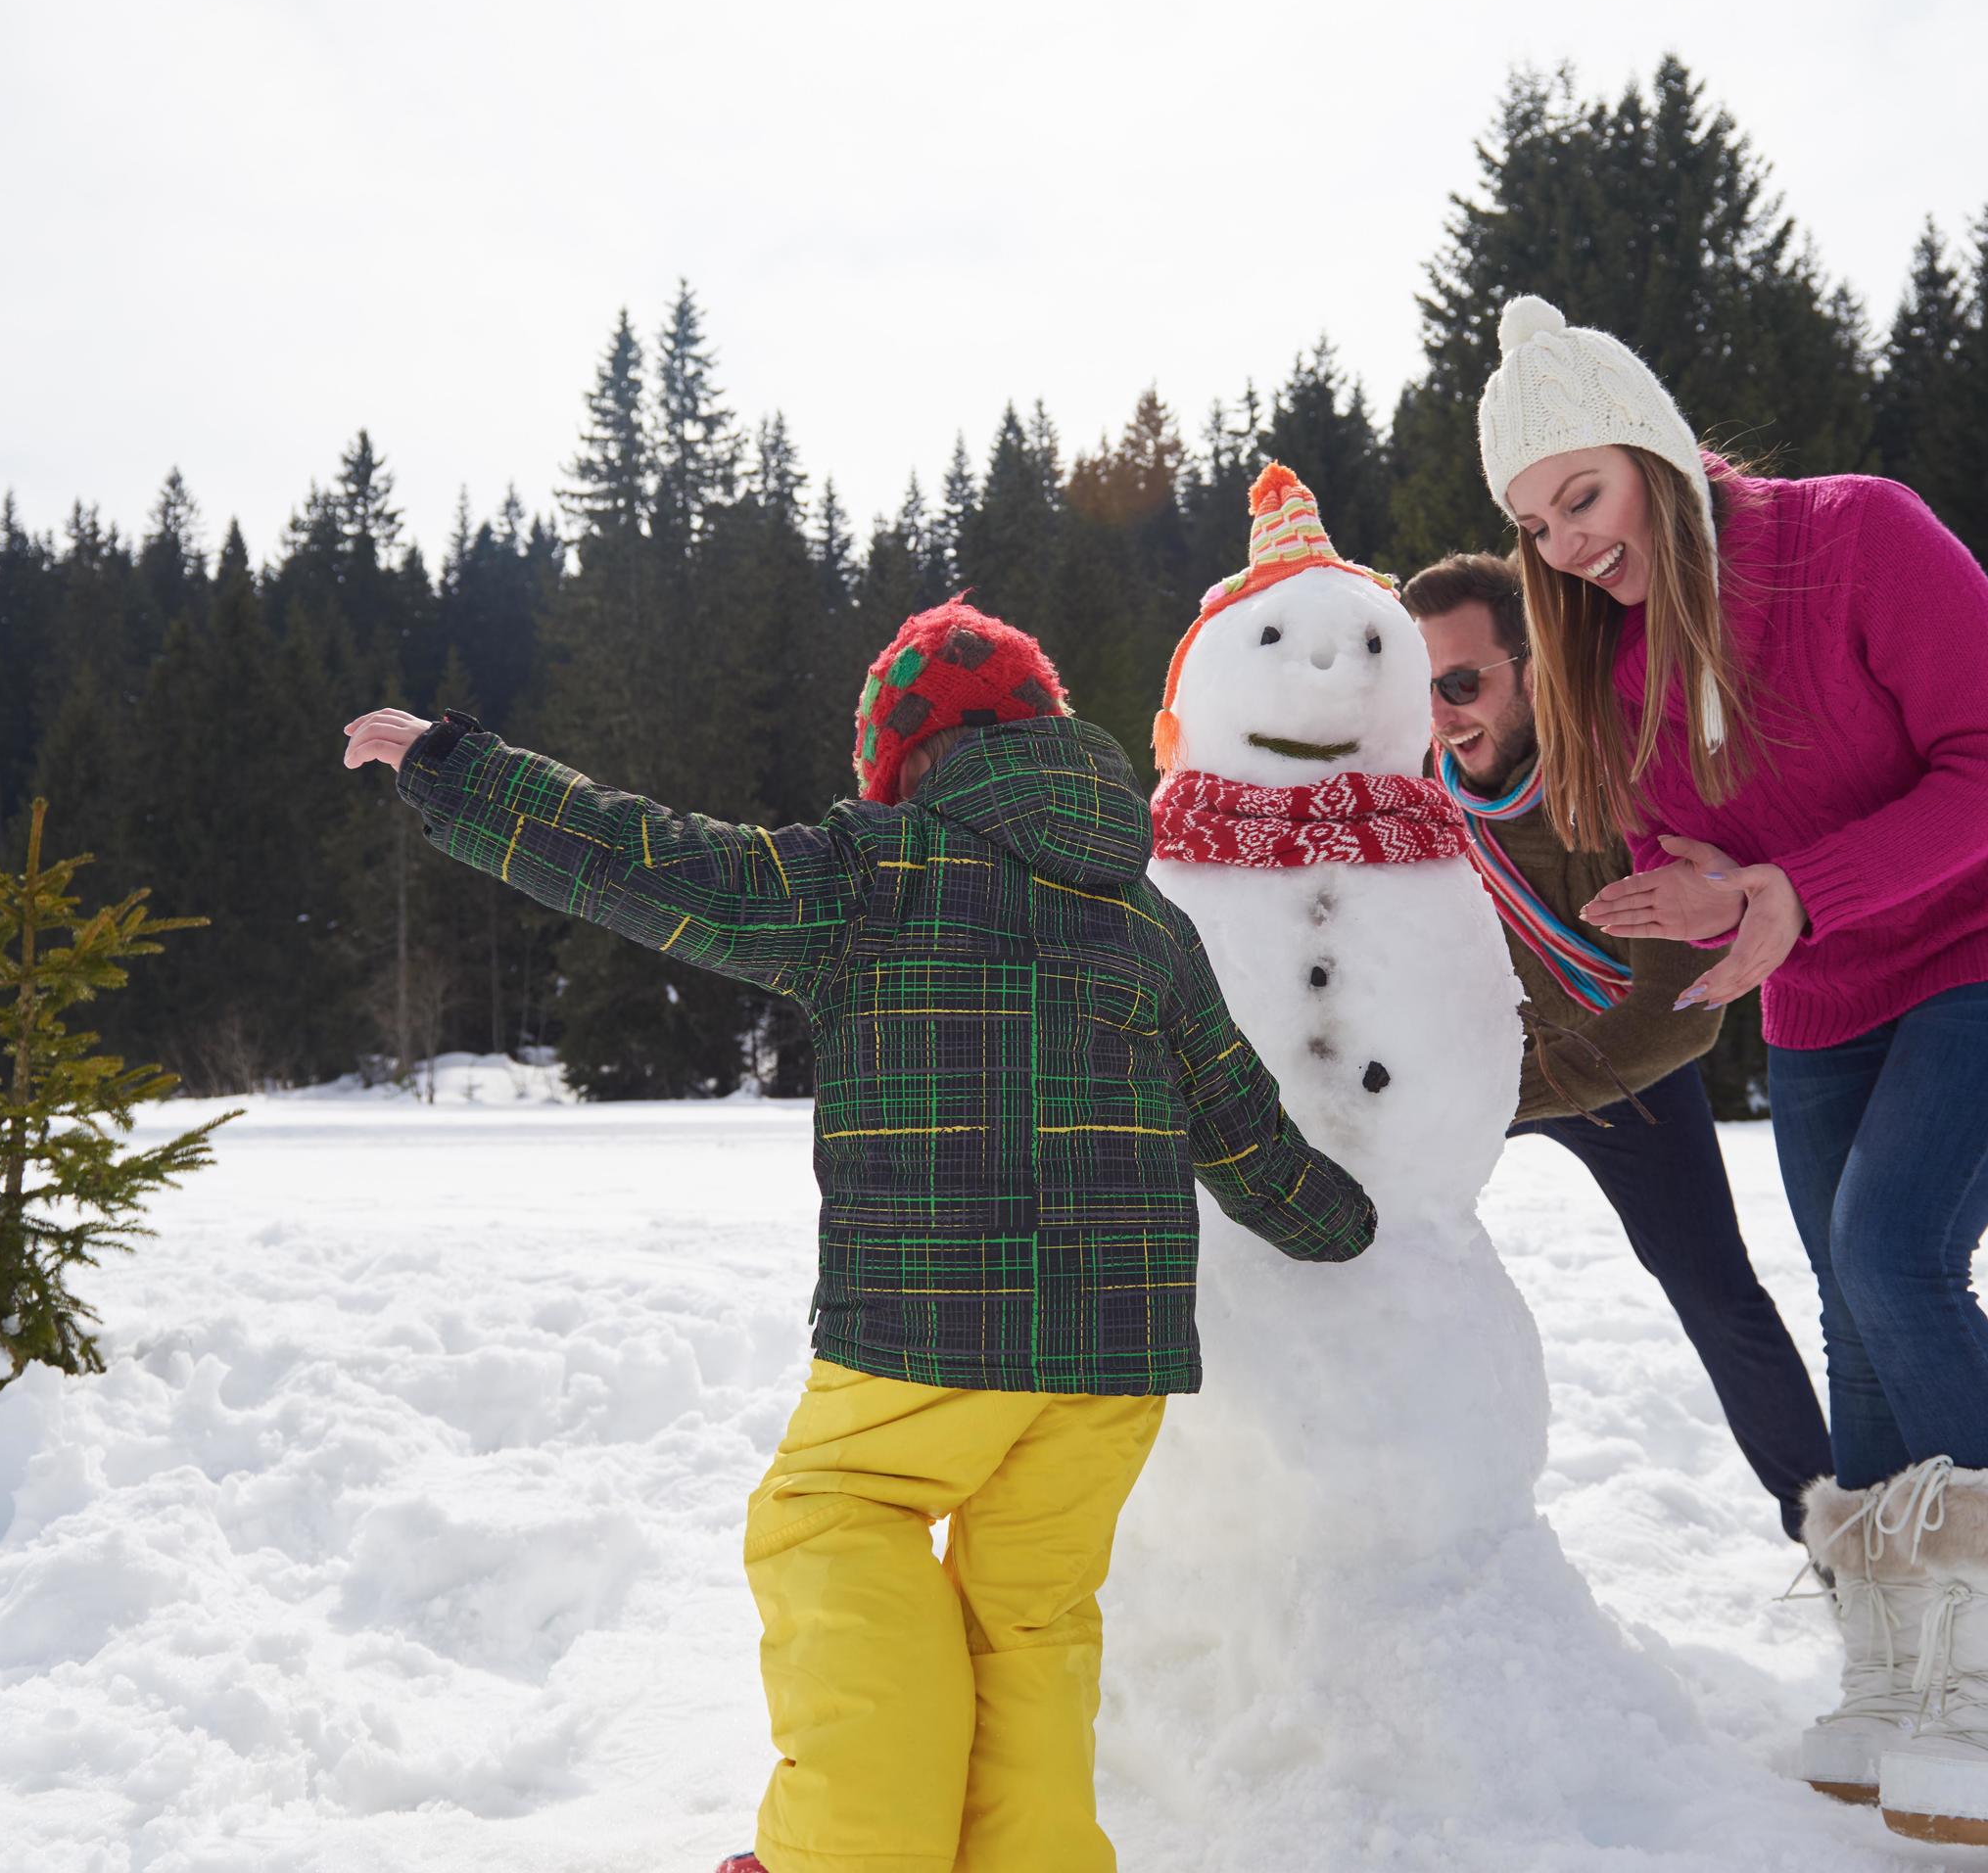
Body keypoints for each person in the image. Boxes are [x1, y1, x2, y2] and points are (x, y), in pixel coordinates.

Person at [341, 595, 1376, 1873]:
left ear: (904, 758)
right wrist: (1344, 1226)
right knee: (1031, 1620)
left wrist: (458, 771)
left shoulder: (872, 872)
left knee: (835, 1523)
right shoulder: (1147, 924)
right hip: (1114, 1356)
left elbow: (660, 863)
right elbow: (1242, 1128)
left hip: (934, 1318)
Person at [1476, 294, 1988, 1845]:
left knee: (1898, 1256)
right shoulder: (1611, 667)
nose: (1566, 545)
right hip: (1825, 995)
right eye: (1533, 523)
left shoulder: (1858, 536)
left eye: (1581, 494)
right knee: (1846, 1309)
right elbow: (1670, 859)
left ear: (1647, 451)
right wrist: (1697, 899)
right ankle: (1906, 1671)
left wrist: (1784, 893)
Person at [1401, 550, 1831, 1543]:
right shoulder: (1411, 796)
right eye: (1418, 685)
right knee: (1371, 1251)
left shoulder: (1620, 782)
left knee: (1715, 1294)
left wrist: (1501, 1099)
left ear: (1534, 665)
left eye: (1461, 683)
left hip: (1616, 1075)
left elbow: (1679, 1007)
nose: (1439, 711)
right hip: (1480, 1067)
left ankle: (1833, 1532)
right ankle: (1395, 1531)